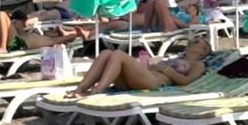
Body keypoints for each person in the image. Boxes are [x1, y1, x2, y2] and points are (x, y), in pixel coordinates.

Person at [67, 38, 211, 97]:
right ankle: (81, 88)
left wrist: (166, 70)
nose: (192, 41)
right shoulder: (178, 58)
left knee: (118, 54)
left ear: (203, 51)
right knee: (106, 53)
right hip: (139, 79)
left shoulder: (198, 64)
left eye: (197, 41)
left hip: (154, 83)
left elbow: (187, 81)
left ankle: (98, 89)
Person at [0, 10, 84, 54]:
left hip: (17, 44)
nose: (51, 30)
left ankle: (2, 48)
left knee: (1, 14)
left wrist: (68, 34)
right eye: (52, 29)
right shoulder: (36, 34)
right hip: (10, 41)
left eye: (52, 31)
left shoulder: (49, 40)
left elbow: (67, 39)